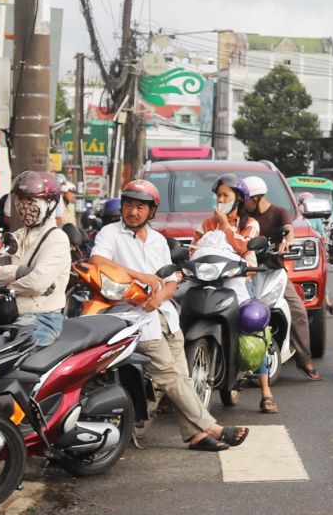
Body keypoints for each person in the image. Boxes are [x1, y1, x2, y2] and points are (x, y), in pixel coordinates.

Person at [89, 179, 249, 451]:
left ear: (151, 211)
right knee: (169, 376)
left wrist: (160, 296)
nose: (133, 212)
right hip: (134, 319)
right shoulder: (110, 233)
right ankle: (213, 427)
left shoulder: (158, 240)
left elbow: (172, 282)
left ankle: (195, 436)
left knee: (182, 379)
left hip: (166, 317)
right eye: (129, 205)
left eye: (140, 207)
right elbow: (97, 261)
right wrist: (140, 276)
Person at [192, 174, 280, 413]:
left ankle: (266, 392)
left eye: (225, 195)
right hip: (206, 281)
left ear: (238, 199)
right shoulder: (206, 224)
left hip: (237, 281)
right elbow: (193, 250)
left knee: (252, 325)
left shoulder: (250, 223)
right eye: (218, 196)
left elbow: (242, 247)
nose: (220, 200)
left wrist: (225, 225)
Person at [242, 175, 322, 382]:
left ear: (257, 198)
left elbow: (289, 230)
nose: (243, 204)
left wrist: (287, 242)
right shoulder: (244, 216)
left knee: (299, 311)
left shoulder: (279, 212)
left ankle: (304, 359)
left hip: (274, 272)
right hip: (248, 274)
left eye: (246, 199)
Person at [0, 171, 69, 347]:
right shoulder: (17, 236)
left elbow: (37, 283)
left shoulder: (57, 239)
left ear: (50, 204)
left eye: (30, 201)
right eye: (20, 200)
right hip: (10, 312)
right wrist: (19, 272)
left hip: (42, 318)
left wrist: (4, 287)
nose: (24, 207)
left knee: (3, 351)